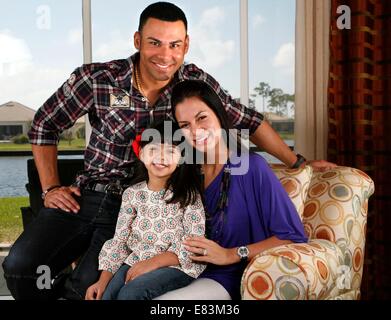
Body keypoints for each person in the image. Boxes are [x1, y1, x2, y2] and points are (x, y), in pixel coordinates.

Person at [2, 2, 334, 300]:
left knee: (89, 285)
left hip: (142, 202)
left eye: (175, 45)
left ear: (186, 44)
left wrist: (297, 162)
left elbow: (246, 120)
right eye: (155, 43)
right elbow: (45, 124)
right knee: (20, 267)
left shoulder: (193, 83)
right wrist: (50, 187)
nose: (165, 55)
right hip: (86, 195)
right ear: (137, 41)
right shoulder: (98, 78)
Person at [153, 80, 308, 300]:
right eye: (185, 125)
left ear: (219, 114)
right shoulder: (184, 171)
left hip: (231, 277)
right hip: (183, 271)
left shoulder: (252, 167)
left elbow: (292, 237)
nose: (195, 131)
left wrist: (231, 254)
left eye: (202, 118)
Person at [85, 121, 206, 300]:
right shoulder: (132, 194)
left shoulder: (188, 195)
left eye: (171, 152)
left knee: (130, 294)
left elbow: (194, 243)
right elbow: (120, 241)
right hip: (137, 258)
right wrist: (102, 282)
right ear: (141, 154)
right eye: (153, 150)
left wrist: (153, 263)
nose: (161, 158)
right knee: (107, 296)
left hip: (177, 264)